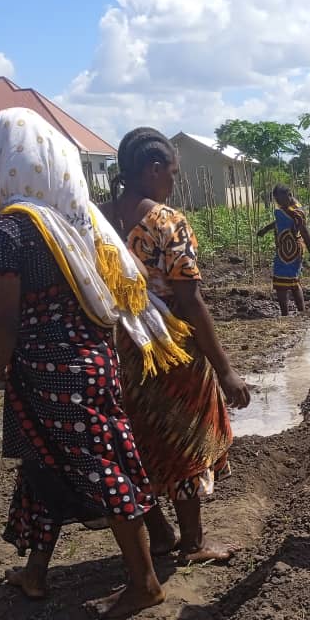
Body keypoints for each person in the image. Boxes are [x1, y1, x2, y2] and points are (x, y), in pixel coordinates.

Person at [0, 107, 194, 617]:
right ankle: (36, 572)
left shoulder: (8, 231)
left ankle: (145, 581)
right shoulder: (73, 225)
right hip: (89, 363)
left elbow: (5, 323)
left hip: (49, 371)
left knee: (100, 468)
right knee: (42, 463)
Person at [102, 127, 250, 563]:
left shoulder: (98, 220)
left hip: (122, 349)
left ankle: (160, 534)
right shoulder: (167, 222)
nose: (174, 180)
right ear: (152, 170)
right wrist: (224, 369)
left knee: (141, 442)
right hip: (170, 349)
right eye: (171, 171)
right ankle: (193, 542)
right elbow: (189, 299)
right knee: (186, 439)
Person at [256, 185, 310, 314]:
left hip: (290, 250)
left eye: (280, 199)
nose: (278, 202)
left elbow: (305, 232)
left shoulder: (296, 211)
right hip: (286, 248)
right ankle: (301, 312)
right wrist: (266, 229)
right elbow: (279, 221)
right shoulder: (288, 208)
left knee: (281, 282)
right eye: (276, 200)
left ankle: (285, 314)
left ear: (288, 195)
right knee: (293, 281)